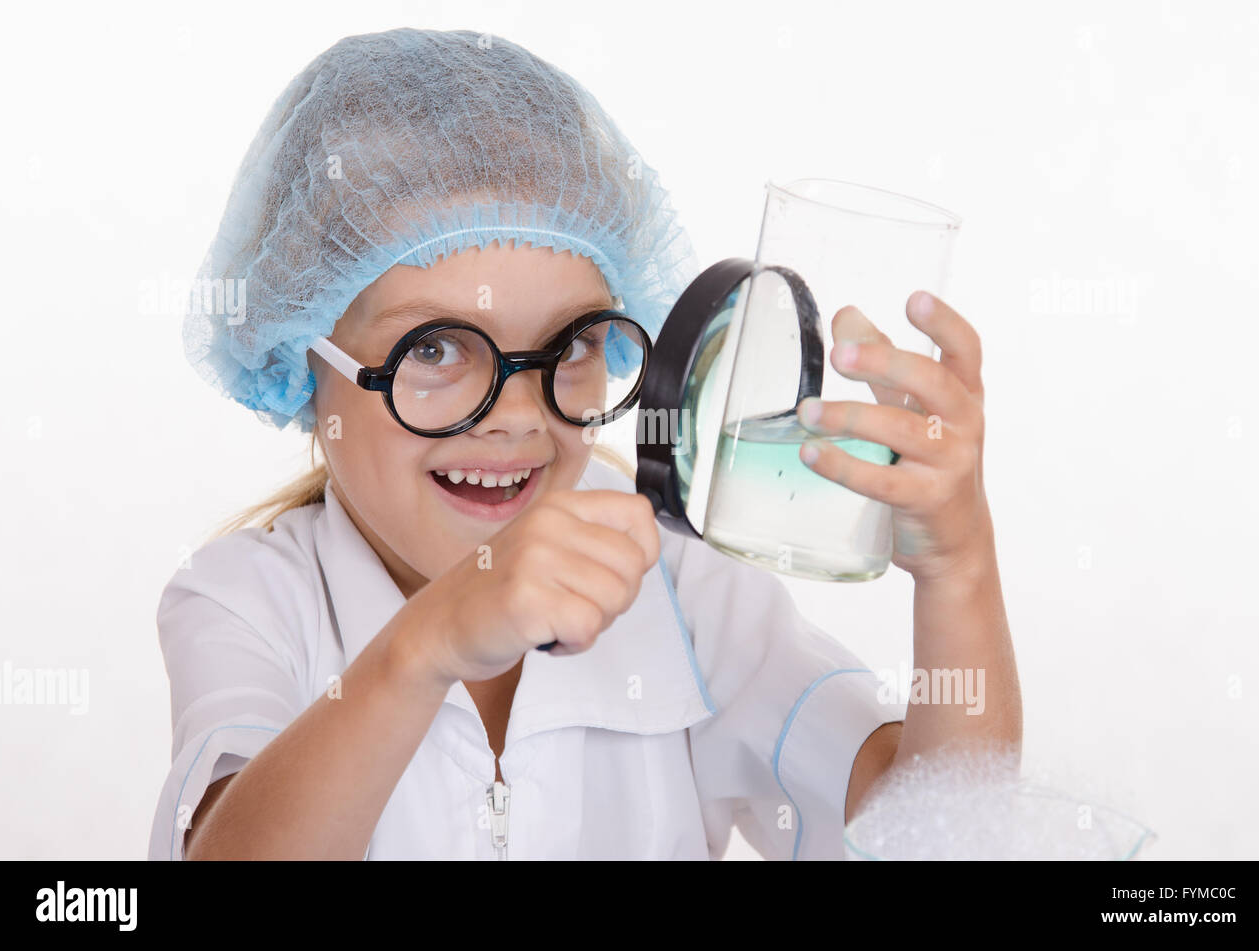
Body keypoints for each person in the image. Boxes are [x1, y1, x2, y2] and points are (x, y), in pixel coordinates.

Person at [148, 27, 1018, 861]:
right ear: (304, 363)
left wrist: (961, 572)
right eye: (436, 349)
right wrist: (424, 646)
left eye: (571, 346)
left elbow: (940, 839)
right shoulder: (245, 602)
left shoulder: (683, 591)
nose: (520, 414)